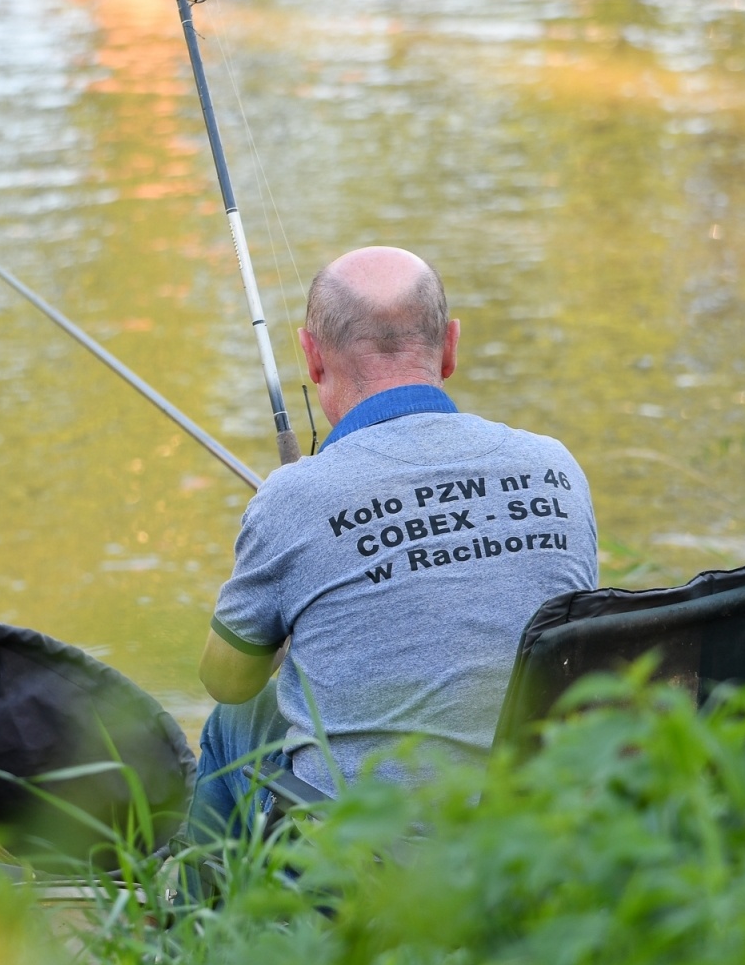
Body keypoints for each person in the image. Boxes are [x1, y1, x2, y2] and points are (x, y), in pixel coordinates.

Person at [189, 246, 598, 839]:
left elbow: (225, 680)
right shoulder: (556, 469)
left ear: (311, 355)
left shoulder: (293, 499)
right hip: (531, 830)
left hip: (367, 857)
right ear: (451, 346)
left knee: (237, 716)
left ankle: (193, 921)